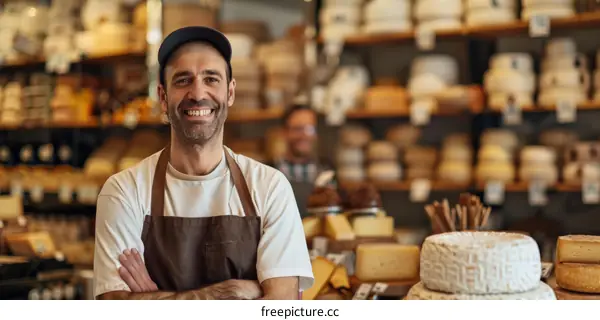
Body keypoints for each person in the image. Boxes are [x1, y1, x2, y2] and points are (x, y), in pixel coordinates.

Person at [93, 26, 314, 300]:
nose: (198, 93)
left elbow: (282, 306)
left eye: (211, 79)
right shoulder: (123, 191)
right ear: (162, 97)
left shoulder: (269, 187)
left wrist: (155, 300)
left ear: (230, 93)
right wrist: (232, 291)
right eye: (183, 80)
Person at [272, 104, 333, 184]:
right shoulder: (270, 172)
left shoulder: (327, 171)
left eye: (310, 129)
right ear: (284, 133)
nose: (304, 135)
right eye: (298, 129)